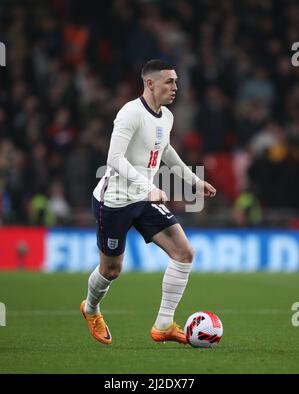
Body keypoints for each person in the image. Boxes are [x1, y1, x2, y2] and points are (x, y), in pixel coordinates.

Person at [80, 59, 216, 345]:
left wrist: (193, 180)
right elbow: (114, 160)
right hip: (114, 201)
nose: (175, 87)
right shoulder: (129, 113)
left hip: (143, 198)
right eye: (169, 81)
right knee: (111, 270)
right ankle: (91, 308)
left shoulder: (166, 116)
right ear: (150, 83)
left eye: (176, 81)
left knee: (184, 252)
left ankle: (163, 325)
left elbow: (165, 150)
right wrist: (148, 187)